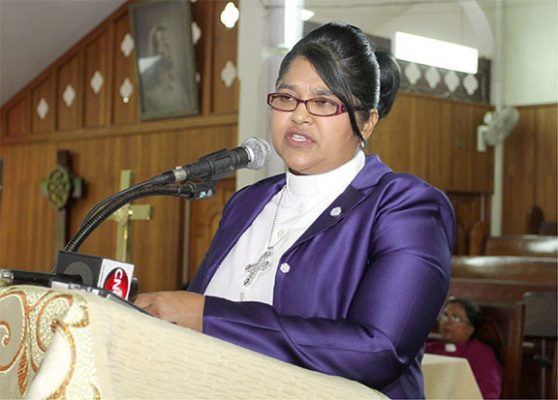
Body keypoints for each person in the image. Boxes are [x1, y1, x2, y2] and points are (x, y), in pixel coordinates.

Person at [135, 22, 455, 398]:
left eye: (323, 102)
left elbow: (379, 348)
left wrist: (208, 316)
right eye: (287, 98)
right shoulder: (248, 203)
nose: (300, 116)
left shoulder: (403, 205)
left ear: (367, 121)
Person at [425, 297, 503, 399]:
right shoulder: (429, 349)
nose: (447, 322)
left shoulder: (481, 353)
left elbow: (489, 394)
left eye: (455, 318)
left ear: (471, 327)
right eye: (444, 316)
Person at [140, 24, 189, 113]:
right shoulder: (148, 93)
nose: (170, 49)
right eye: (165, 44)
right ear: (156, 51)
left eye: (170, 43)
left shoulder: (179, 89)